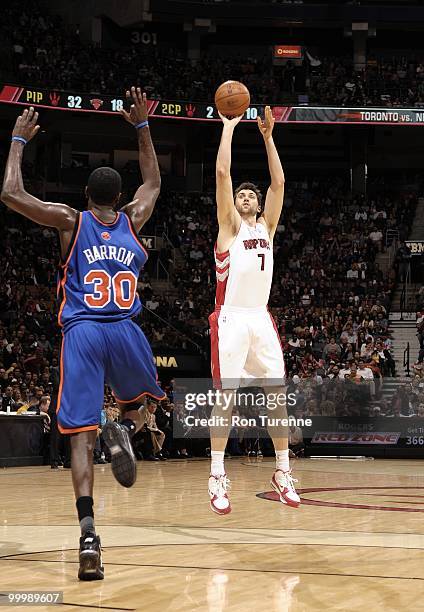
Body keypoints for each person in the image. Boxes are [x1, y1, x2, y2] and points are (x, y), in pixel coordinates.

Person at [1, 87, 165, 581]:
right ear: (120, 198)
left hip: (84, 332)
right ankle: (128, 427)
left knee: (78, 438)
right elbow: (154, 181)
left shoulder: (72, 222)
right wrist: (141, 126)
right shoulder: (135, 220)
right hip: (127, 328)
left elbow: (11, 193)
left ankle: (88, 535)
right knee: (147, 406)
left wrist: (17, 140)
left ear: (87, 196)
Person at [207, 106, 299, 515]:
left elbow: (279, 180)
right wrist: (228, 128)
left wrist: (267, 137)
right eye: (242, 195)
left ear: (259, 206)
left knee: (277, 396)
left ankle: (281, 471)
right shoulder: (230, 227)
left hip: (261, 318)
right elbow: (223, 175)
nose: (245, 196)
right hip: (231, 318)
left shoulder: (266, 228)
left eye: (251, 195)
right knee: (226, 396)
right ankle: (216, 474)